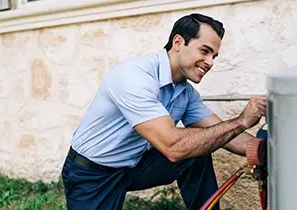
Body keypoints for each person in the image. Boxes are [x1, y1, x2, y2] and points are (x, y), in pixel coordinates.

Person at [61, 13, 266, 210]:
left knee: (198, 150)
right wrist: (241, 120)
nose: (210, 62)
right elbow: (173, 146)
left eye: (214, 55)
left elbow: (222, 133)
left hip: (133, 166)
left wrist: (269, 151)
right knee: (186, 145)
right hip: (92, 173)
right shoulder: (134, 76)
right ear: (178, 43)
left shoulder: (185, 93)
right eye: (204, 51)